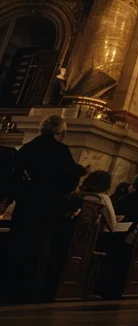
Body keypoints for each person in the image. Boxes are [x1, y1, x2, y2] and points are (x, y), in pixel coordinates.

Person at [6, 115, 88, 303]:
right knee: (39, 251)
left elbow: (14, 177)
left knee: (18, 246)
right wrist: (80, 172)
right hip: (48, 207)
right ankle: (32, 292)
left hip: (24, 206)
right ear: (63, 133)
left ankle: (11, 288)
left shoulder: (27, 148)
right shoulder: (60, 150)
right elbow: (68, 181)